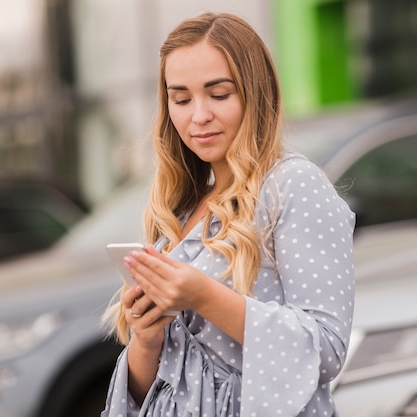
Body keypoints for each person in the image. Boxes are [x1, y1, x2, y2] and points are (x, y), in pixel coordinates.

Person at [100, 11, 355, 417]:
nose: (198, 115)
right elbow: (161, 387)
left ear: (257, 93)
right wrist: (146, 340)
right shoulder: (180, 210)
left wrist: (201, 294)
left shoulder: (293, 186)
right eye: (181, 99)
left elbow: (325, 350)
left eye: (218, 94)